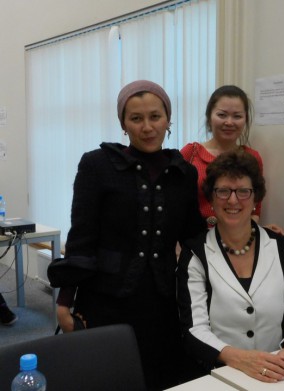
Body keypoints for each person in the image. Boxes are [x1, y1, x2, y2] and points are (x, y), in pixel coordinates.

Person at [47, 80, 205, 390]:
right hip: (105, 298)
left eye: (155, 117)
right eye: (136, 118)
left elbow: (193, 237)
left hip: (163, 301)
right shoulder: (97, 165)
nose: (147, 127)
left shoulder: (183, 172)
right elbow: (82, 237)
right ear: (123, 123)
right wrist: (65, 301)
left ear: (168, 119)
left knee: (161, 376)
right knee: (110, 376)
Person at [177, 150, 284, 383]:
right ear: (211, 200)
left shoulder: (282, 248)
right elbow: (194, 330)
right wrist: (239, 359)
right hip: (219, 377)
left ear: (256, 199)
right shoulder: (196, 254)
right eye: (223, 191)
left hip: (281, 374)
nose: (233, 200)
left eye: (243, 191)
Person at [181, 85, 284, 234]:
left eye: (237, 116)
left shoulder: (252, 157)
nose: (229, 122)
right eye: (222, 115)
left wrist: (259, 233)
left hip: (236, 239)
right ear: (209, 117)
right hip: (194, 239)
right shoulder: (190, 153)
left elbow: (255, 209)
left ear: (245, 120)